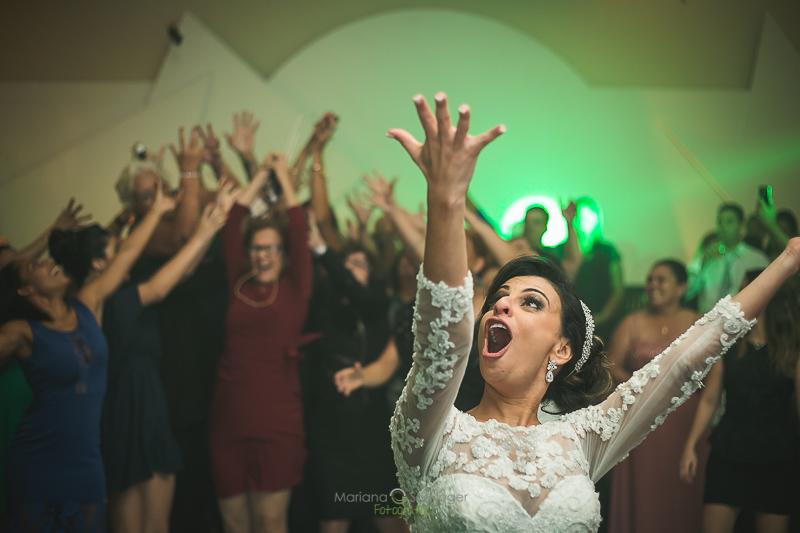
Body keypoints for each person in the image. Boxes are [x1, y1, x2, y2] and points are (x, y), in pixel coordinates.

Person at [385, 92, 800, 531]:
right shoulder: (434, 430)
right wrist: (447, 200)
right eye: (497, 299)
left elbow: (682, 364)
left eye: (531, 302)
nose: (501, 303)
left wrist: (790, 258)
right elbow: (442, 339)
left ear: (562, 348)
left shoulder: (581, 439)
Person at [50, 186, 232, 533]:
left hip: (149, 405)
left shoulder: (120, 296)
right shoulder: (93, 301)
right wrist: (200, 229)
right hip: (124, 409)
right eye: (116, 251)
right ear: (99, 263)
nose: (127, 254)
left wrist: (209, 230)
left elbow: (182, 272)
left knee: (158, 526)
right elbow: (158, 283)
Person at [0, 183, 177, 532]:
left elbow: (125, 256)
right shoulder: (20, 332)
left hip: (87, 469)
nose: (50, 263)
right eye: (37, 264)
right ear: (25, 289)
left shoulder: (87, 304)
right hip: (37, 468)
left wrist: (156, 212)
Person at [208, 154, 313, 533]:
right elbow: (234, 219)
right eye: (256, 248)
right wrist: (262, 175)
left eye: (271, 248)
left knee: (270, 523)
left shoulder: (295, 288)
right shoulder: (238, 283)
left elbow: (298, 227)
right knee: (234, 525)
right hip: (228, 420)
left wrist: (283, 177)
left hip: (277, 424)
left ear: (283, 256)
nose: (262, 255)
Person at [680, 270, 800, 533]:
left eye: (751, 290)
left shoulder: (792, 348)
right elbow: (710, 397)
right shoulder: (730, 344)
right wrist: (690, 445)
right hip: (729, 450)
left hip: (778, 453)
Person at [607, 260, 705, 533]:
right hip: (642, 419)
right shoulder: (633, 322)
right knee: (646, 492)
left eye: (661, 279)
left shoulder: (699, 322)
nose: (652, 285)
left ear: (682, 287)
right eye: (650, 280)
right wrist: (642, 387)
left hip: (685, 422)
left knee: (680, 492)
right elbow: (611, 365)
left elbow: (712, 374)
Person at [687, 203, 769, 313]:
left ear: (741, 225)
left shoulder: (757, 259)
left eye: (729, 222)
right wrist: (702, 264)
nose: (723, 227)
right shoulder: (706, 257)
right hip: (708, 322)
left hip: (744, 322)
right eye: (720, 222)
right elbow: (687, 292)